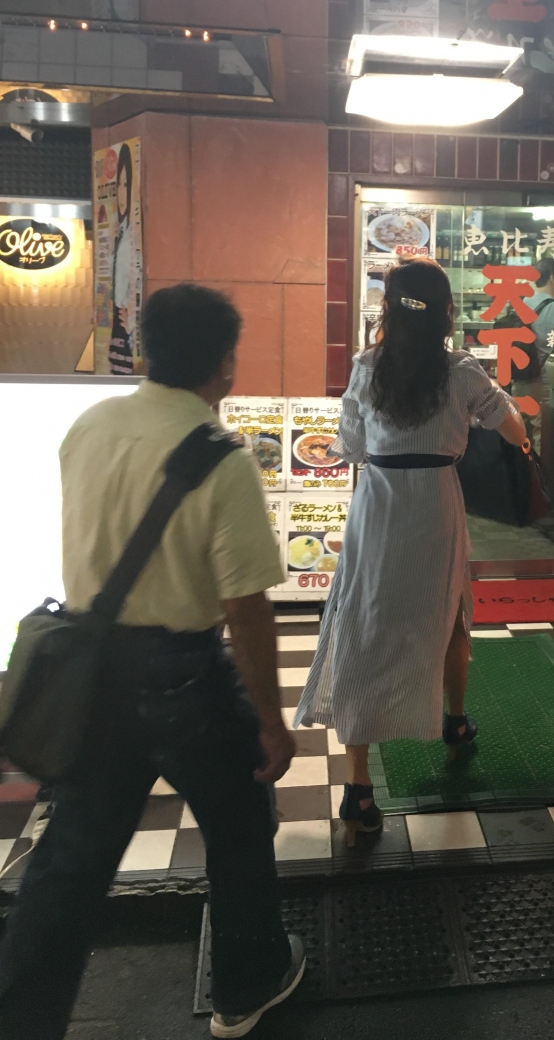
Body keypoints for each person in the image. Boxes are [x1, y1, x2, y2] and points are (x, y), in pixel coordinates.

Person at [0, 284, 304, 1040]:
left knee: (72, 859)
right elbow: (246, 609)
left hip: (92, 674)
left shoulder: (90, 426)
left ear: (144, 350)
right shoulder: (221, 458)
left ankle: (23, 1017)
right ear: (226, 361)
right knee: (238, 826)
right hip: (186, 679)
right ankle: (246, 984)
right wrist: (272, 723)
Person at [295, 258, 527, 842]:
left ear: (389, 311)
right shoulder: (462, 370)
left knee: (363, 624)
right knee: (448, 615)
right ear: (447, 310)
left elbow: (350, 447)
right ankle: (455, 721)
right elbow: (514, 429)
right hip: (436, 504)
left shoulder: (365, 367)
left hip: (378, 506)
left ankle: (358, 786)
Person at [512, 258, 554, 450]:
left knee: (518, 433)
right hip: (543, 383)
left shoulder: (520, 303)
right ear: (553, 278)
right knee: (542, 435)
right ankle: (538, 469)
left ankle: (519, 468)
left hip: (519, 380)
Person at [108, 141, 135, 375]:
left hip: (125, 323)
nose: (122, 192)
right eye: (120, 184)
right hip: (118, 321)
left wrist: (132, 324)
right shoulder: (121, 232)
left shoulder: (132, 235)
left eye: (127, 184)